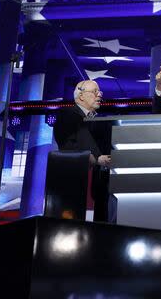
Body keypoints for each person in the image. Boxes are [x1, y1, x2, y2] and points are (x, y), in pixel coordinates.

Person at [52, 79, 115, 222]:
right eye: (95, 92)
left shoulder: (99, 121)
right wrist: (96, 159)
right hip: (76, 189)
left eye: (100, 92)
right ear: (81, 96)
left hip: (100, 188)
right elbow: (68, 149)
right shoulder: (68, 115)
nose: (99, 95)